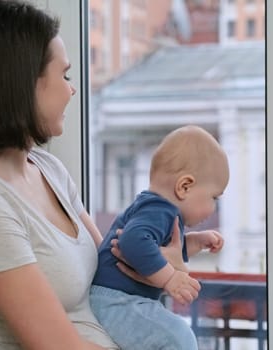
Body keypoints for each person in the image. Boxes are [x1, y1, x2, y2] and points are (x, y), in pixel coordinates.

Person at [0, 1, 198, 349]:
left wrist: (165, 266)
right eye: (65, 75)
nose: (72, 89)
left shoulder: (47, 168)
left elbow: (109, 269)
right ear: (22, 83)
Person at [90, 125, 230, 350]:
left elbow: (162, 250)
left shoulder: (157, 210)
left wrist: (196, 241)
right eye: (214, 197)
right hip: (115, 301)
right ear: (184, 187)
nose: (213, 208)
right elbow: (132, 241)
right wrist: (170, 279)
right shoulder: (160, 210)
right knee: (178, 337)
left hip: (119, 300)